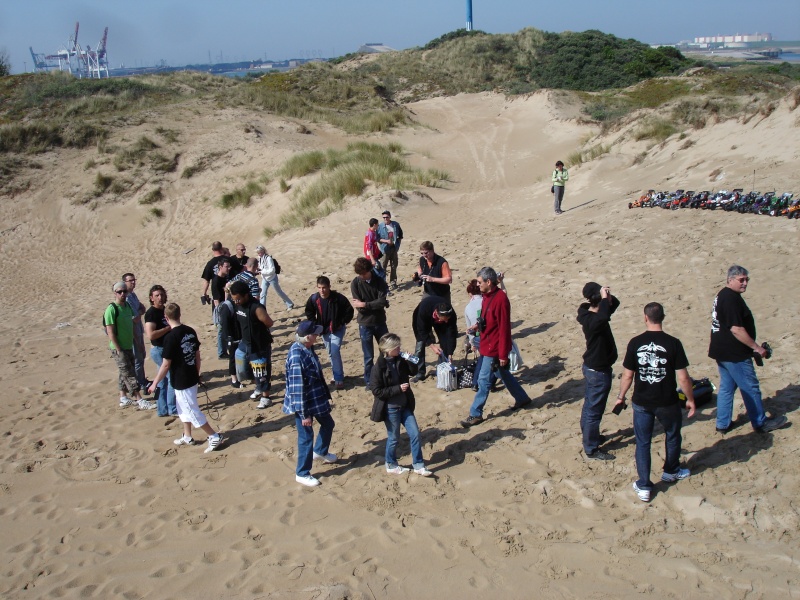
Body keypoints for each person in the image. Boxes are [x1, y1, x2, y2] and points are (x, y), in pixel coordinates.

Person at [614, 302, 696, 503]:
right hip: (666, 400)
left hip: (642, 400)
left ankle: (644, 485)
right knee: (672, 435)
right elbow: (683, 378)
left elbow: (627, 375)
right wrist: (691, 400)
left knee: (643, 442)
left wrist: (621, 396)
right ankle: (671, 470)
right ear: (663, 317)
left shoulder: (635, 342)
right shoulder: (673, 343)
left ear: (645, 317)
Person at [708, 266, 788, 433]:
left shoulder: (724, 295)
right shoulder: (730, 299)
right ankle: (760, 422)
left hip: (722, 350)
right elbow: (736, 329)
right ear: (730, 280)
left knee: (727, 387)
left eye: (746, 280)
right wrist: (757, 348)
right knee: (750, 387)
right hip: (734, 353)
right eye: (741, 280)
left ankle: (722, 424)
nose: (745, 283)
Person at [461, 267, 531, 428]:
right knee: (503, 374)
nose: (477, 285)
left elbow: (504, 329)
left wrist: (503, 355)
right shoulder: (486, 296)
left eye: (479, 282)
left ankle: (475, 413)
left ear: (488, 282)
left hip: (494, 348)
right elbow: (486, 319)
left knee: (483, 380)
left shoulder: (500, 300)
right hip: (487, 344)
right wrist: (476, 327)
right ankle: (522, 398)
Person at [148, 303, 223, 453]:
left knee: (192, 410)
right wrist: (196, 372)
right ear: (179, 314)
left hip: (183, 379)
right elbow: (197, 356)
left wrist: (154, 383)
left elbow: (165, 365)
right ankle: (187, 435)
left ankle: (214, 436)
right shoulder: (190, 331)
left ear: (166, 318)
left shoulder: (170, 337)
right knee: (182, 408)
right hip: (190, 376)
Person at [282, 320, 337, 487]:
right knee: (306, 437)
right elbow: (297, 388)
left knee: (328, 424)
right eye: (315, 333)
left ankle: (320, 451)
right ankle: (302, 472)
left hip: (316, 398)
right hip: (304, 403)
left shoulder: (307, 347)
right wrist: (304, 414)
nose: (318, 335)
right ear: (307, 336)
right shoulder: (297, 355)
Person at [370, 333, 432, 476]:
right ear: (387, 349)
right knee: (393, 438)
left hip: (405, 405)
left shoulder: (400, 359)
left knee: (415, 433)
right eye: (396, 347)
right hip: (391, 408)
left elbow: (413, 371)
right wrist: (397, 389)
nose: (399, 348)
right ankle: (391, 464)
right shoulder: (378, 367)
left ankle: (418, 464)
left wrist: (410, 360)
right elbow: (376, 390)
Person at [577, 281, 621, 461]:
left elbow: (615, 304)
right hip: (598, 370)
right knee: (594, 410)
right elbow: (602, 319)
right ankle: (591, 447)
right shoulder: (593, 320)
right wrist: (603, 299)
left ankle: (590, 435)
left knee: (589, 405)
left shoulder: (594, 313)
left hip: (593, 367)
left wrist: (606, 297)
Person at [104, 281, 152, 410]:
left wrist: (138, 343)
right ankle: (139, 399)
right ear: (115, 293)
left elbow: (132, 327)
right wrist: (118, 349)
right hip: (118, 348)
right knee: (130, 374)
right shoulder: (111, 309)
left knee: (123, 372)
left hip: (129, 345)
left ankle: (123, 398)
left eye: (124, 291)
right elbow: (110, 331)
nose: (123, 294)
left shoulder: (127, 307)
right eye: (120, 292)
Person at [304, 276, 355, 390]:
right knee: (331, 352)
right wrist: (315, 323)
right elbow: (309, 311)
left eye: (324, 288)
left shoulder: (338, 298)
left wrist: (341, 322)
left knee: (335, 350)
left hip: (337, 329)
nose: (322, 290)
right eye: (319, 288)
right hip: (324, 330)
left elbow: (349, 311)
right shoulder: (314, 298)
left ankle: (338, 378)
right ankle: (337, 374)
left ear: (329, 287)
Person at [230, 280, 274, 409]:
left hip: (258, 344)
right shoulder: (237, 305)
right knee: (242, 367)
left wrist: (257, 329)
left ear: (246, 295)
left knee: (261, 371)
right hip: (245, 343)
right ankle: (258, 387)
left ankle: (266, 397)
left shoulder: (257, 308)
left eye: (238, 299)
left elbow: (269, 323)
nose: (236, 302)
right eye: (234, 300)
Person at [350, 257, 390, 386]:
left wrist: (365, 304)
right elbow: (358, 307)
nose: (361, 276)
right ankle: (369, 382)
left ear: (369, 270)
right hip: (365, 324)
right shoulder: (355, 283)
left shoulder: (379, 281)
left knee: (386, 352)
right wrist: (369, 305)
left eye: (363, 274)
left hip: (380, 322)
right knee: (368, 357)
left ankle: (386, 377)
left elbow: (382, 302)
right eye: (359, 274)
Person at [144, 285, 176, 416]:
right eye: (157, 295)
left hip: (167, 348)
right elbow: (150, 335)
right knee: (172, 379)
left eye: (162, 295)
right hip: (159, 350)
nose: (160, 298)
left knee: (161, 381)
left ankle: (162, 410)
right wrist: (168, 328)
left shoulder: (165, 310)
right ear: (151, 298)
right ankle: (171, 408)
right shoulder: (151, 314)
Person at [410, 295, 458, 383]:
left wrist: (450, 353)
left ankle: (441, 370)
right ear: (437, 314)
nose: (447, 321)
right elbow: (422, 331)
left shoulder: (450, 315)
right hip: (422, 320)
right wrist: (432, 346)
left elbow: (451, 335)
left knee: (445, 344)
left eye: (448, 319)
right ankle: (420, 373)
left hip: (439, 323)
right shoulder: (424, 310)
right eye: (445, 319)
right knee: (420, 347)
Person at [122, 272, 148, 391]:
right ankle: (140, 383)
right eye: (130, 281)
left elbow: (142, 307)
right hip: (132, 332)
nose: (133, 282)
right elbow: (135, 317)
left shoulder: (133, 294)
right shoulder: (126, 298)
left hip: (138, 329)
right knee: (137, 358)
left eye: (134, 280)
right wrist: (140, 312)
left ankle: (142, 380)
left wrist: (140, 311)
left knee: (141, 356)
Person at [255, 244, 295, 311]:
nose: (259, 254)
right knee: (262, 294)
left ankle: (289, 304)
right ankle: (263, 309)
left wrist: (262, 271)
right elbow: (261, 268)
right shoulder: (260, 259)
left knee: (279, 292)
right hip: (265, 278)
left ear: (263, 251)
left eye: (260, 252)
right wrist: (258, 270)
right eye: (258, 253)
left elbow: (272, 270)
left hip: (272, 278)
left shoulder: (268, 258)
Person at [219, 284, 243, 388]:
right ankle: (234, 379)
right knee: (233, 357)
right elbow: (224, 324)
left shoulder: (237, 302)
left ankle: (242, 375)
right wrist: (228, 338)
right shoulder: (227, 305)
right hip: (232, 336)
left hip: (240, 334)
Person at [211, 257, 232, 359]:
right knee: (221, 330)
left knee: (227, 329)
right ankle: (221, 352)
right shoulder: (216, 281)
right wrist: (220, 313)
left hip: (227, 306)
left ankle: (227, 349)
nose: (228, 269)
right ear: (220, 267)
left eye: (229, 266)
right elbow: (216, 300)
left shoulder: (226, 278)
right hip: (220, 308)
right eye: (226, 267)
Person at [377, 210, 403, 289]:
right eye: (384, 217)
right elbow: (377, 238)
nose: (385, 219)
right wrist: (386, 241)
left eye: (387, 217)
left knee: (394, 266)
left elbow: (400, 235)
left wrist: (397, 244)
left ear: (390, 217)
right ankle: (382, 283)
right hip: (385, 249)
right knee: (383, 266)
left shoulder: (395, 225)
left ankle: (393, 282)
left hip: (394, 248)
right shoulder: (380, 226)